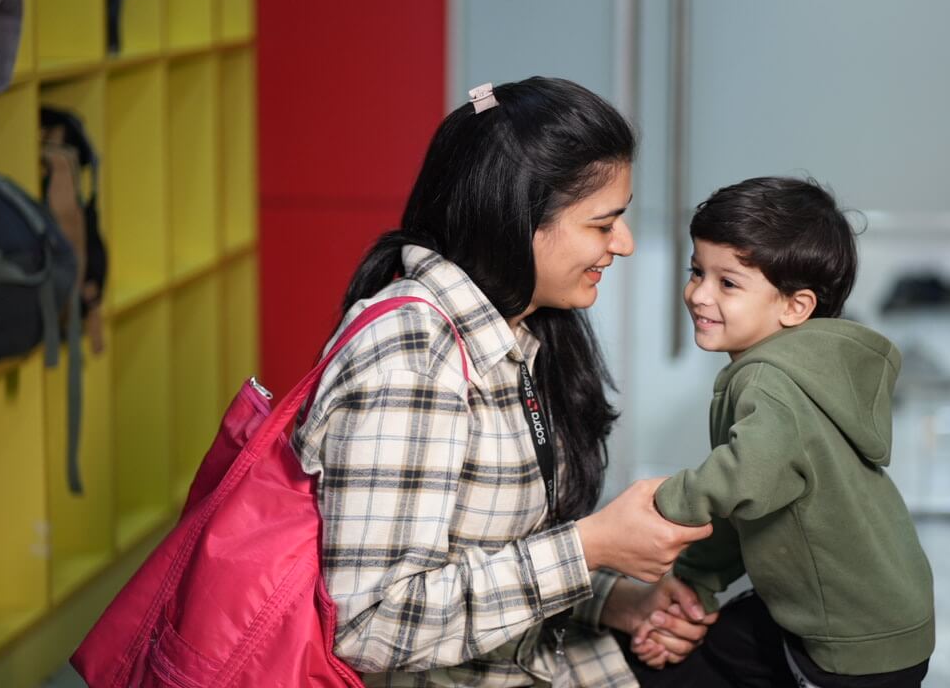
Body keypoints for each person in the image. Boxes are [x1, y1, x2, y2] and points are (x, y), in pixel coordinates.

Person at [292, 76, 715, 687]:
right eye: (603, 223)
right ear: (516, 221)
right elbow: (370, 624)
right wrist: (588, 548)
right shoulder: (412, 355)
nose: (622, 244)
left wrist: (612, 598)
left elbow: (484, 552)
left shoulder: (518, 328)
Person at [635, 176, 935, 687]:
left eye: (728, 283)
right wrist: (695, 579)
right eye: (697, 271)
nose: (699, 294)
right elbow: (743, 505)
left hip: (849, 642)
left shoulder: (768, 381)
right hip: (889, 615)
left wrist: (663, 501)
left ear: (795, 306)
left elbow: (743, 476)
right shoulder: (802, 372)